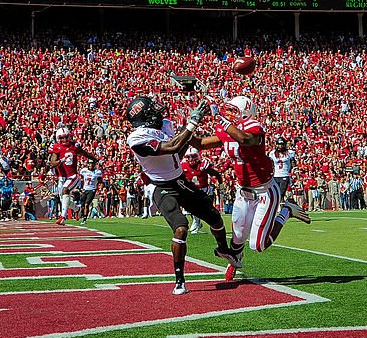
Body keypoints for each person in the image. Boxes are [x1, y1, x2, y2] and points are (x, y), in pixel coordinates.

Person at [125, 95, 237, 296]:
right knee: (181, 228)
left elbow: (183, 149)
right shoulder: (136, 138)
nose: (159, 111)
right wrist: (192, 123)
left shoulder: (165, 125)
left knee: (214, 217)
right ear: (145, 116)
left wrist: (224, 136)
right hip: (161, 186)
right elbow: (172, 147)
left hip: (180, 181)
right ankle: (179, 280)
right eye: (153, 110)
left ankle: (222, 249)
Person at [194, 95, 310, 282]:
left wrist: (221, 121)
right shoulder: (229, 129)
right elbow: (200, 144)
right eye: (228, 110)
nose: (229, 114)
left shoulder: (253, 127)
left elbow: (246, 140)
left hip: (265, 191)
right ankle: (235, 260)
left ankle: (286, 211)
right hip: (243, 191)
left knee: (258, 245)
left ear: (246, 113)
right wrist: (188, 128)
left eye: (234, 111)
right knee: (238, 236)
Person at [49, 125, 96, 226]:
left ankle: (63, 217)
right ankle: (77, 208)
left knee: (65, 190)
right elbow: (53, 162)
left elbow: (85, 153)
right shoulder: (56, 147)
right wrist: (60, 161)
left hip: (73, 176)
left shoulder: (74, 146)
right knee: (64, 201)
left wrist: (95, 158)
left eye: (66, 137)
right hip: (61, 177)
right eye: (62, 137)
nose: (65, 139)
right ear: (58, 138)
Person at [181, 148, 221, 233]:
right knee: (193, 207)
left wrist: (220, 182)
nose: (191, 159)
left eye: (193, 156)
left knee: (208, 211)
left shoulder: (203, 164)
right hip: (192, 190)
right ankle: (197, 222)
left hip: (204, 190)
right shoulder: (183, 165)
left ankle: (213, 223)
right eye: (189, 157)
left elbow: (215, 173)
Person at [79, 159, 103, 225]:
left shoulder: (97, 172)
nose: (91, 165)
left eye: (92, 163)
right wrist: (80, 187)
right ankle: (81, 213)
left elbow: (100, 180)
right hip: (85, 189)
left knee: (87, 204)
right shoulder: (84, 170)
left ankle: (84, 219)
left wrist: (99, 188)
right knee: (82, 204)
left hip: (92, 189)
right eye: (90, 163)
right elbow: (81, 178)